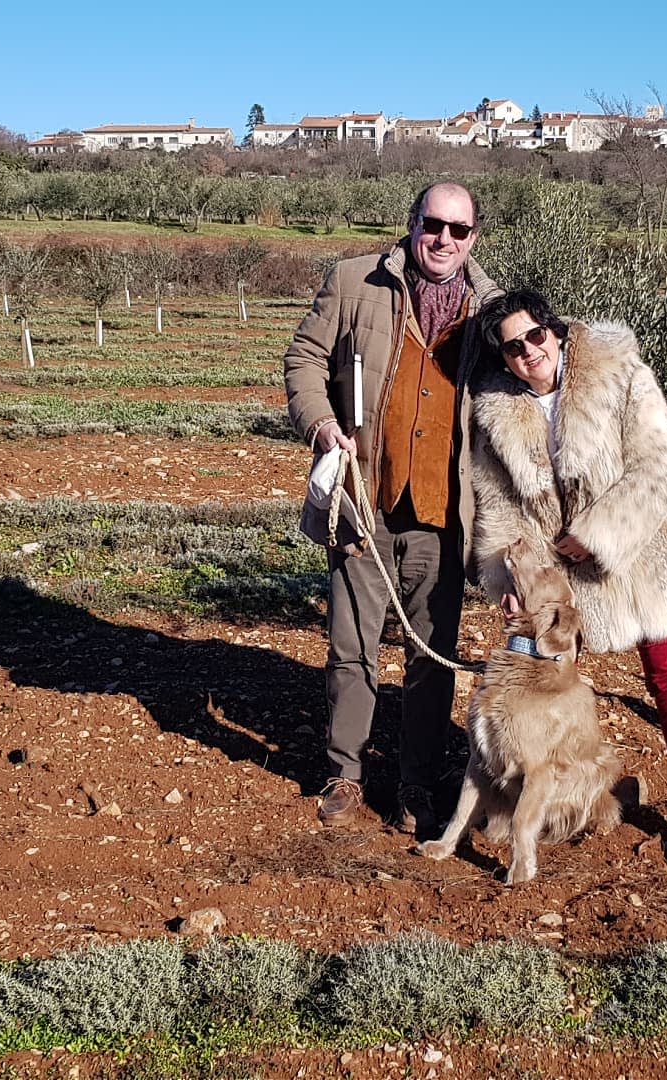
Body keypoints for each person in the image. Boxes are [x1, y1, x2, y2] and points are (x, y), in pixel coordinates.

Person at [466, 288, 667, 868]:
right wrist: (508, 580)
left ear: (554, 331)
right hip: (556, 571)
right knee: (537, 678)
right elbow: (497, 505)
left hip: (639, 555)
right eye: (513, 347)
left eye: (535, 336)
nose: (529, 352)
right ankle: (534, 797)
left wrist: (598, 533)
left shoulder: (619, 372)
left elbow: (662, 463)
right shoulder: (497, 410)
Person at [283, 182, 502, 834]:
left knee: (431, 660)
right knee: (351, 649)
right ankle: (345, 773)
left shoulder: (490, 311)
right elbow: (304, 358)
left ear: (473, 238)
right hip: (365, 502)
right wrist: (322, 424)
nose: (443, 240)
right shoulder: (355, 281)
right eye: (433, 224)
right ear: (412, 223)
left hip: (443, 516)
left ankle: (417, 784)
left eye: (458, 230)